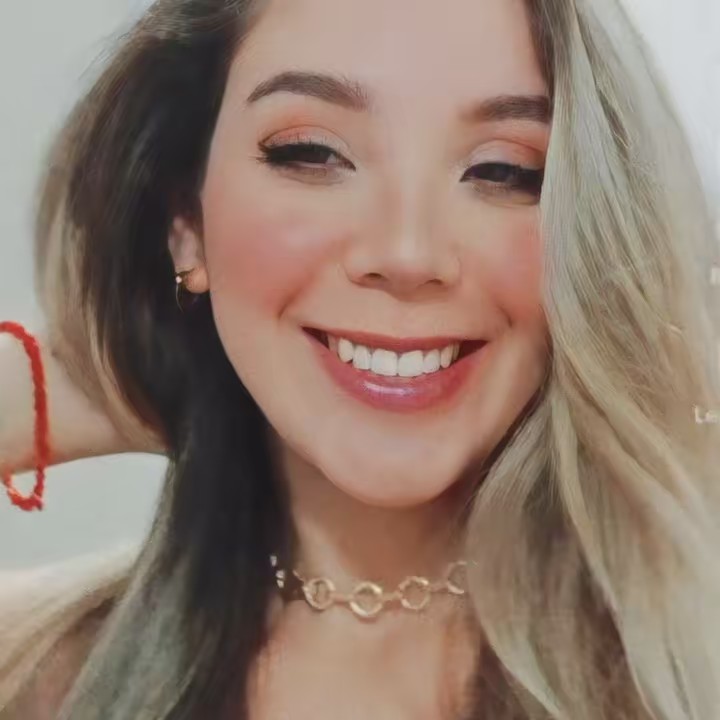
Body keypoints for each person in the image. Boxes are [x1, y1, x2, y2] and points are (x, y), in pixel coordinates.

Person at [1, 0, 720, 717]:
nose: (408, 254)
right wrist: (86, 380)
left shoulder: (688, 664)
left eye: (503, 170)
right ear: (184, 218)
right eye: (311, 153)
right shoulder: (34, 673)